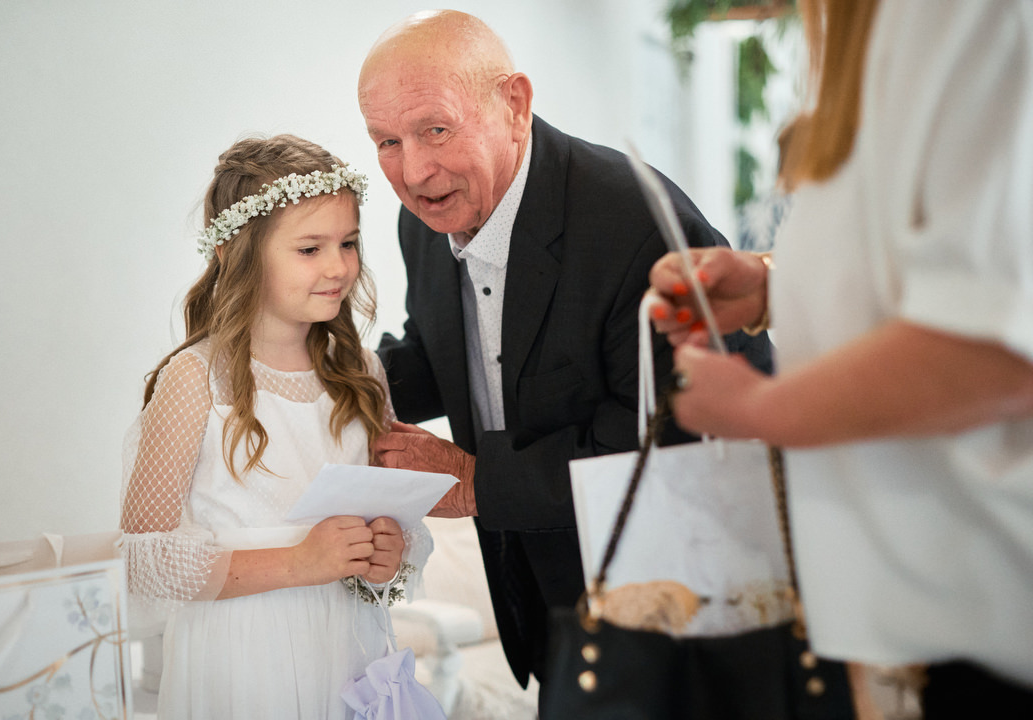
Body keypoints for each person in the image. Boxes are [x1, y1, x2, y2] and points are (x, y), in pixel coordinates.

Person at [358, 9, 772, 690]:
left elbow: (679, 435)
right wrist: (328, 378)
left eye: (435, 129)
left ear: (515, 105)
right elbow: (447, 351)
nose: (414, 171)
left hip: (688, 613)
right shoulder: (426, 220)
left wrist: (476, 481)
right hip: (553, 619)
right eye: (387, 141)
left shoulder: (632, 222)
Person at [649, 0, 1033, 716]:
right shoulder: (870, 32)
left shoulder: (967, 16)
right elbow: (930, 271)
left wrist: (760, 407)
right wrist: (769, 287)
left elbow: (999, 348)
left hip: (992, 628)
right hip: (908, 623)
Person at [119, 134, 432, 720]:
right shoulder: (196, 379)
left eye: (348, 243)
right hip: (242, 658)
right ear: (238, 253)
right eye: (310, 249)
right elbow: (145, 560)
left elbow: (391, 518)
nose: (338, 267)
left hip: (348, 652)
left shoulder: (361, 371)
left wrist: (391, 550)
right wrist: (298, 564)